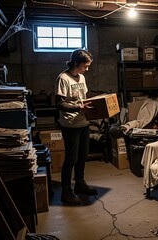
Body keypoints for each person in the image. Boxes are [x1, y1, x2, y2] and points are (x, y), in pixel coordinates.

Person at [55, 49, 97, 205]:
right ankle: (66, 191)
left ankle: (80, 184)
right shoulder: (63, 78)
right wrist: (79, 109)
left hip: (83, 122)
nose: (87, 69)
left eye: (87, 66)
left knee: (82, 156)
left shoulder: (82, 78)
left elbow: (83, 99)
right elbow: (60, 104)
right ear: (75, 63)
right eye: (84, 66)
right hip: (70, 124)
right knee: (71, 158)